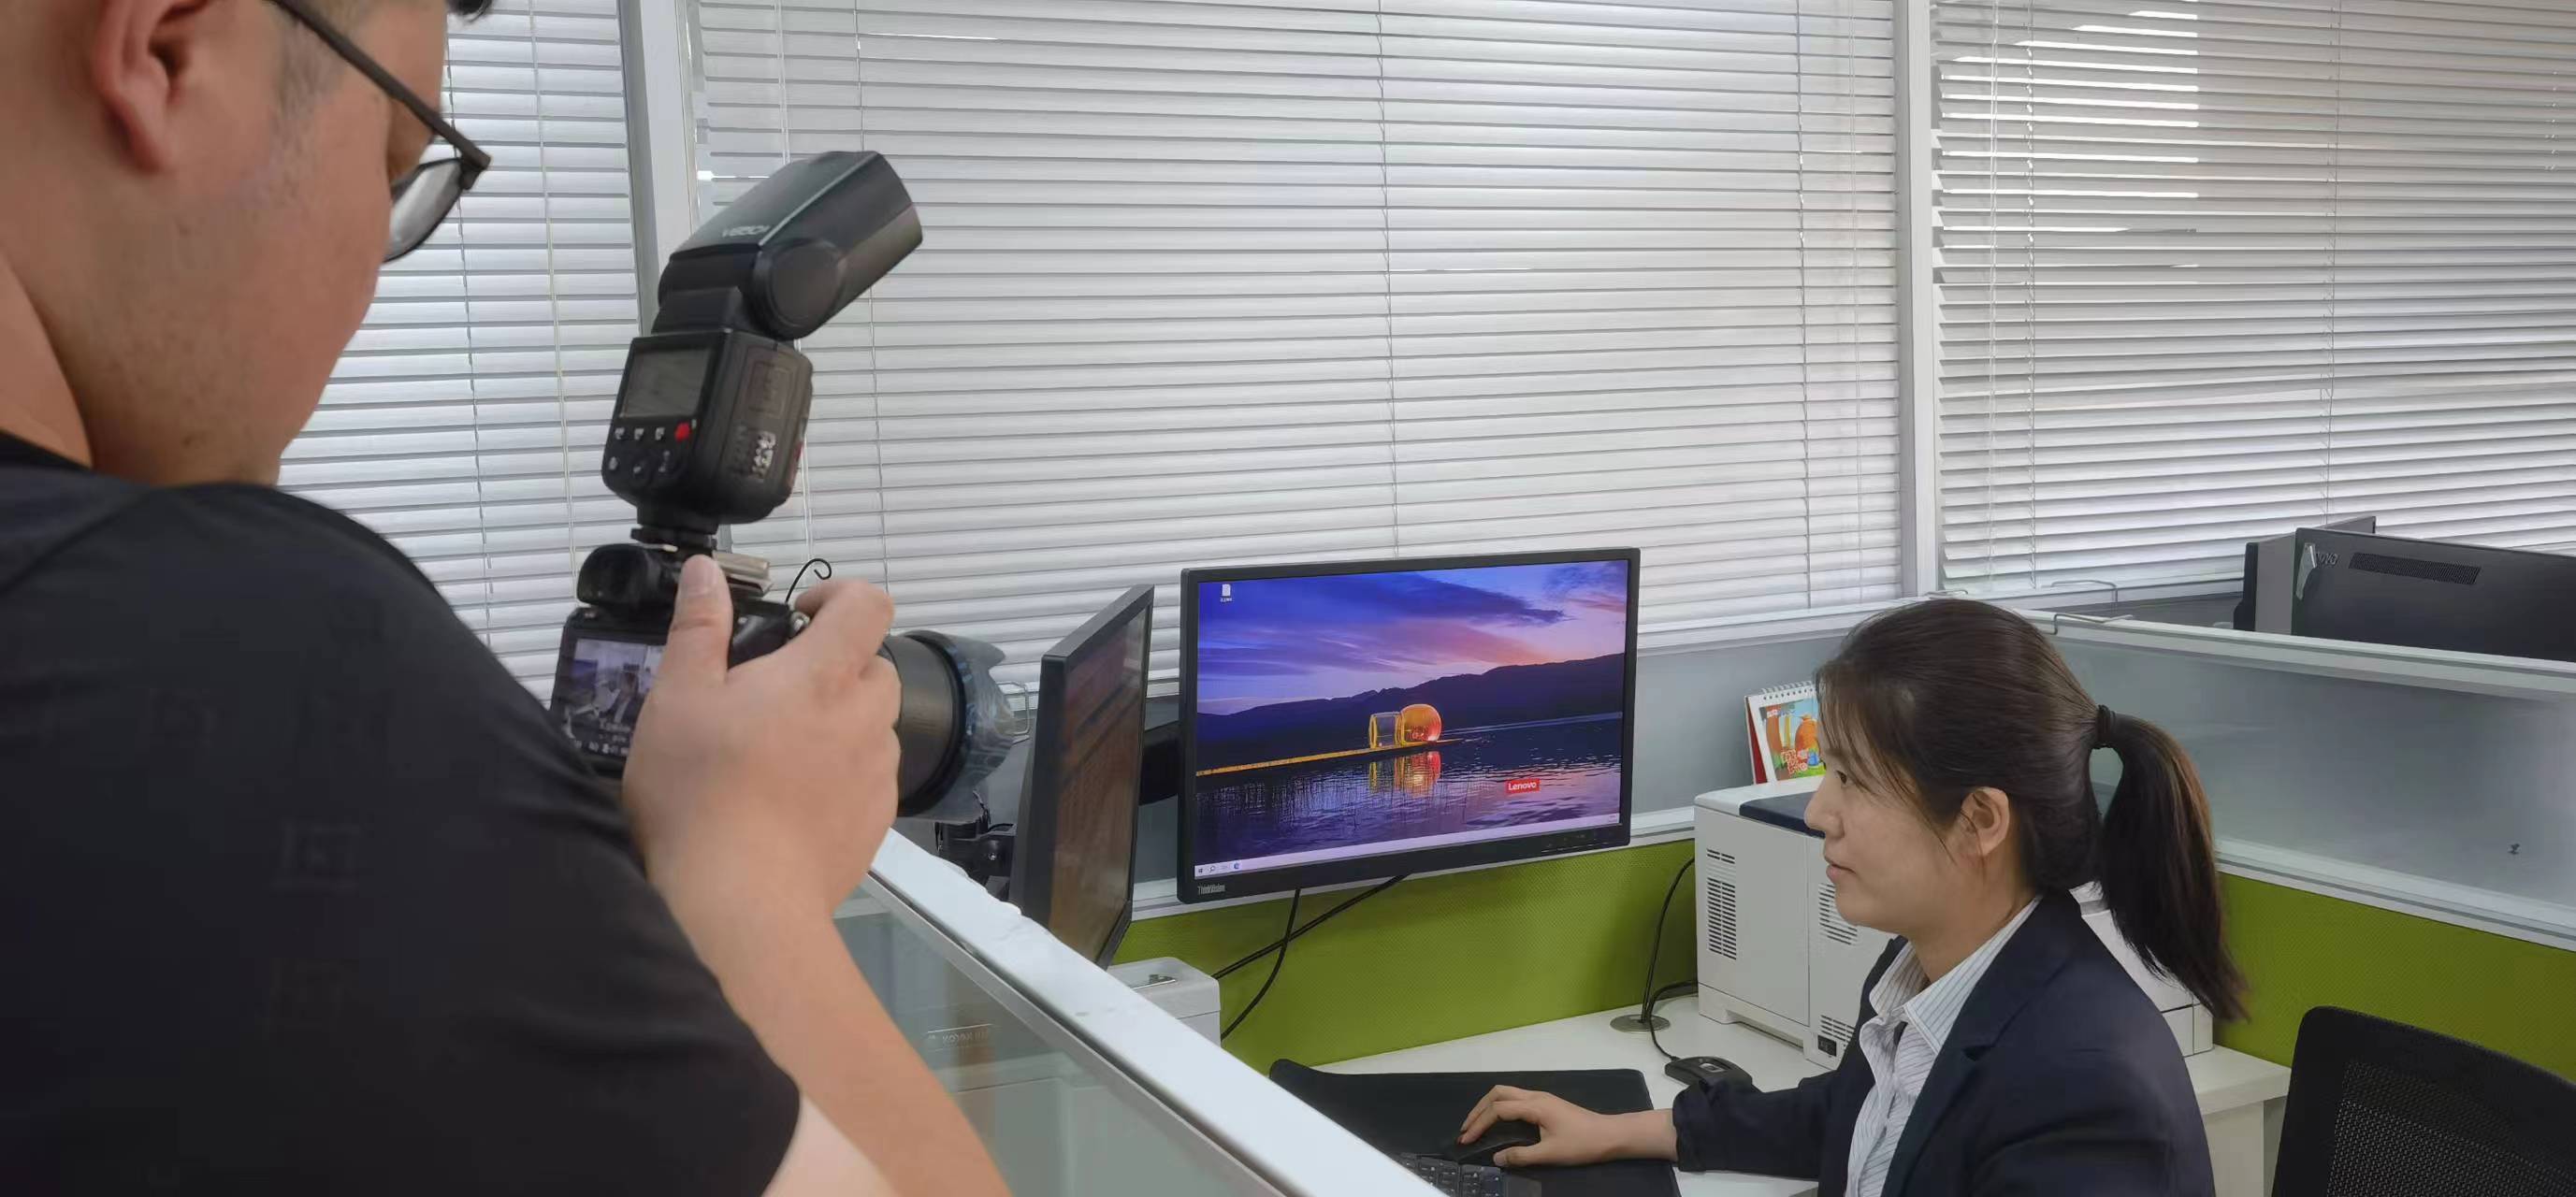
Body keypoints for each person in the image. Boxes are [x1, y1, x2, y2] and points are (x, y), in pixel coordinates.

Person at [0, 1, 1008, 1194]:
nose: (369, 271)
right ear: (168, 46)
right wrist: (746, 873)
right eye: (394, 166)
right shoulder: (251, 663)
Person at [1458, 598, 2246, 1196]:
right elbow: (1852, 1114)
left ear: (1980, 821)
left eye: (1852, 779)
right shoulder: (1923, 971)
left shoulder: (2085, 1096)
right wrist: (1617, 1131)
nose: (1817, 812)